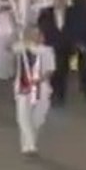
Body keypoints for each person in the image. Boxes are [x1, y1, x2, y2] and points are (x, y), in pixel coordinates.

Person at [13, 25, 55, 156]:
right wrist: (19, 36)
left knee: (37, 119)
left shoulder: (47, 51)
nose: (36, 37)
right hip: (23, 87)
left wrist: (39, 79)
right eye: (32, 34)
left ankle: (29, 144)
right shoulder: (22, 49)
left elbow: (50, 70)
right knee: (23, 117)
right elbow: (9, 48)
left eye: (38, 34)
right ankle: (29, 146)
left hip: (41, 89)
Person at [36, 0, 78, 107]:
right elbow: (42, 30)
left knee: (62, 70)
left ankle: (59, 95)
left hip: (66, 47)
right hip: (50, 47)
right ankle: (53, 94)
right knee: (54, 68)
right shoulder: (45, 13)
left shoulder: (73, 12)